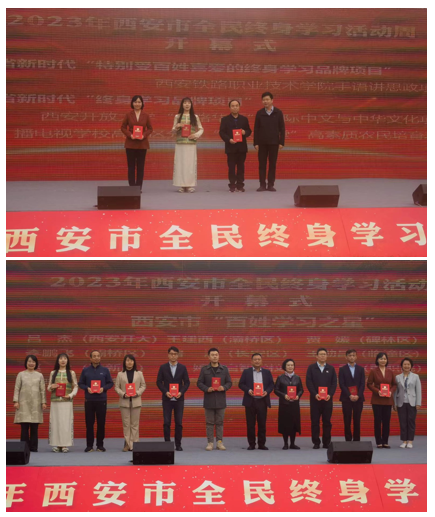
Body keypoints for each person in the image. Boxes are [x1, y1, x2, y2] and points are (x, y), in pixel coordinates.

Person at [78, 350, 114, 452]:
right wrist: (87, 388)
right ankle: (89, 446)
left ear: (100, 357)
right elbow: (80, 383)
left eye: (98, 356)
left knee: (101, 423)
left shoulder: (105, 370)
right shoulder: (85, 370)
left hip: (101, 400)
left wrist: (104, 388)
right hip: (89, 400)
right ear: (90, 358)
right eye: (94, 356)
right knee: (89, 424)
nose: (96, 358)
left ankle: (100, 445)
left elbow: (110, 383)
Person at [197, 348, 232, 451]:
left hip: (221, 400)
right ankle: (210, 443)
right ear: (209, 357)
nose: (215, 356)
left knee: (220, 422)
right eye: (212, 355)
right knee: (209, 423)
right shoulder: (204, 369)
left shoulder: (224, 369)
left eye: (216, 354)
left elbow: (229, 382)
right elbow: (199, 383)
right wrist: (206, 389)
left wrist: (224, 387)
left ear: (219, 356)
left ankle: (219, 443)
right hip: (209, 400)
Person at [156, 347, 190, 451]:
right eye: (171, 354)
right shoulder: (163, 367)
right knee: (167, 422)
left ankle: (178, 444)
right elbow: (158, 382)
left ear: (178, 355)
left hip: (179, 399)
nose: (173, 356)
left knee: (178, 423)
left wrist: (181, 392)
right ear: (168, 355)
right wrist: (165, 392)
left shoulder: (182, 368)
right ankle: (167, 444)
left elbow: (187, 382)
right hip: (167, 399)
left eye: (175, 354)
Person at [239, 353, 274, 450]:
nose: (257, 361)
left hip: (262, 401)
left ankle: (262, 444)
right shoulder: (246, 372)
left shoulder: (267, 372)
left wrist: (267, 392)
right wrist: (248, 390)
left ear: (261, 361)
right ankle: (251, 444)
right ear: (251, 361)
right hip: (250, 401)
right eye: (255, 359)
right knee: (250, 424)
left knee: (262, 424)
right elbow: (241, 384)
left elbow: (271, 384)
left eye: (259, 359)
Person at [13, 355, 47, 452]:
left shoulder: (39, 375)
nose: (31, 363)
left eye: (33, 362)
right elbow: (17, 388)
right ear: (26, 363)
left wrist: (43, 402)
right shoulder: (21, 374)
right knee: (24, 427)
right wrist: (16, 401)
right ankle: (24, 448)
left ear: (36, 364)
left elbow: (42, 390)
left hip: (36, 403)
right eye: (29, 361)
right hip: (23, 404)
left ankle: (33, 447)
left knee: (34, 427)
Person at [253, 91, 285, 192]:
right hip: (262, 143)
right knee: (262, 164)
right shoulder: (259, 113)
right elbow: (256, 129)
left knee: (272, 164)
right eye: (263, 100)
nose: (265, 101)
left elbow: (282, 128)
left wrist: (281, 142)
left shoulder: (278, 112)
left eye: (267, 99)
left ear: (272, 100)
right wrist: (255, 143)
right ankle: (262, 184)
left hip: (274, 143)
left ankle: (271, 184)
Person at [120, 95, 153, 193]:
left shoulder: (146, 115)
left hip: (142, 144)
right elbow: (123, 127)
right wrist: (130, 135)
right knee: (131, 167)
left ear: (142, 103)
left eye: (139, 102)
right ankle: (132, 187)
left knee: (140, 167)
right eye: (135, 102)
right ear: (132, 103)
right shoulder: (128, 115)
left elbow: (150, 128)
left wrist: (144, 135)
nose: (137, 104)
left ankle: (138, 188)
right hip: (130, 144)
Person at [306, 348, 337, 449]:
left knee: (327, 421)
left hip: (327, 400)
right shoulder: (311, 368)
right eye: (321, 354)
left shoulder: (331, 368)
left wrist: (330, 394)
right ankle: (316, 442)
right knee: (315, 421)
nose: (323, 356)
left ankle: (326, 442)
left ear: (327, 356)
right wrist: (315, 394)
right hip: (315, 399)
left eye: (324, 354)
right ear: (317, 356)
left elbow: (334, 383)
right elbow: (309, 382)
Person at [47, 353, 78, 453]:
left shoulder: (71, 373)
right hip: (55, 401)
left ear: (67, 361)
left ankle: (64, 445)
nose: (63, 360)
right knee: (55, 422)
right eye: (61, 359)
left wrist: (70, 395)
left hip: (66, 402)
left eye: (65, 358)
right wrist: (51, 387)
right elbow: (48, 387)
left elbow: (76, 386)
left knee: (65, 422)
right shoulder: (53, 373)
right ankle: (57, 444)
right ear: (58, 361)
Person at [219, 99, 252, 192]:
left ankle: (240, 185)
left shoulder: (244, 119)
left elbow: (249, 131)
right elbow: (222, 132)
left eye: (236, 105)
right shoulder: (225, 119)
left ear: (239, 107)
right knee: (231, 167)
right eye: (233, 106)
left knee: (241, 167)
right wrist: (229, 139)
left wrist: (245, 132)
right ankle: (232, 185)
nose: (235, 107)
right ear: (229, 108)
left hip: (242, 148)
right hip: (231, 147)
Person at [172, 97, 204, 193]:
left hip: (191, 144)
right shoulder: (177, 116)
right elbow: (173, 131)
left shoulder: (195, 117)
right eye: (185, 103)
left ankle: (189, 185)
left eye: (188, 103)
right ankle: (182, 185)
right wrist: (177, 127)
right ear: (182, 105)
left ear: (191, 105)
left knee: (190, 164)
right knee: (180, 164)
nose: (187, 105)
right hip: (180, 144)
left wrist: (196, 135)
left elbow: (201, 129)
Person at [114, 354, 146, 452]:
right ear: (124, 362)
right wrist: (123, 394)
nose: (129, 362)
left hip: (136, 402)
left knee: (135, 425)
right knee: (126, 424)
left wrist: (137, 393)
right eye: (127, 360)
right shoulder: (120, 374)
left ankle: (134, 444)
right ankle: (128, 444)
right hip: (124, 402)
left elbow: (143, 385)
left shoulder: (139, 373)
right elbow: (117, 387)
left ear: (134, 362)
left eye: (131, 360)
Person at [367, 352, 397, 448]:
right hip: (377, 399)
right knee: (377, 421)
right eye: (381, 358)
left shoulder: (390, 372)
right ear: (377, 360)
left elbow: (395, 384)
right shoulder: (373, 371)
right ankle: (379, 441)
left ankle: (385, 441)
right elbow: (369, 384)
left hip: (388, 400)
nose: (383, 360)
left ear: (387, 360)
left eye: (384, 359)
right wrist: (377, 391)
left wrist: (391, 392)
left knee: (386, 421)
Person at [274, 358, 304, 450]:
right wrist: (284, 395)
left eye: (292, 365)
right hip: (284, 404)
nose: (290, 367)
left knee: (294, 423)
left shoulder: (297, 378)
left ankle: (292, 443)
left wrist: (298, 395)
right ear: (285, 366)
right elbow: (276, 390)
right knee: (285, 423)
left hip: (294, 404)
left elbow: (301, 389)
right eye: (288, 365)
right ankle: (285, 443)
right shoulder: (280, 378)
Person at [393, 357, 422, 449]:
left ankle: (410, 441)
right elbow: (395, 391)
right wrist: (395, 403)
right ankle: (404, 441)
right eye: (405, 364)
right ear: (402, 366)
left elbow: (418, 390)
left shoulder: (415, 376)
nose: (406, 366)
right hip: (401, 402)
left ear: (411, 366)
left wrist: (418, 403)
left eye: (408, 364)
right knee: (402, 422)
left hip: (412, 402)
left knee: (411, 421)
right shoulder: (397, 377)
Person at [338, 349, 366, 441]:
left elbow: (362, 384)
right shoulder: (342, 369)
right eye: (350, 355)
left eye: (353, 355)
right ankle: (348, 439)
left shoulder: (361, 369)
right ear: (346, 357)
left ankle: (357, 439)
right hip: (346, 398)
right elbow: (342, 384)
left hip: (358, 398)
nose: (352, 357)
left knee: (357, 420)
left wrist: (358, 395)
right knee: (347, 420)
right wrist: (349, 395)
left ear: (356, 357)